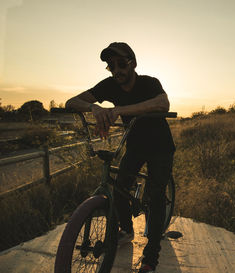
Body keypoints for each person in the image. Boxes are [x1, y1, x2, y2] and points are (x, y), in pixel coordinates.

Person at [65, 42, 175, 273]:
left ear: (132, 64)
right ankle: (126, 230)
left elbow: (163, 103)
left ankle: (150, 258)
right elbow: (72, 102)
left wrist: (118, 110)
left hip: (160, 147)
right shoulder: (109, 85)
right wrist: (94, 107)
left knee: (154, 198)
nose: (116, 70)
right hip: (134, 146)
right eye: (110, 66)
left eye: (121, 64)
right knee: (119, 189)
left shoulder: (149, 82)